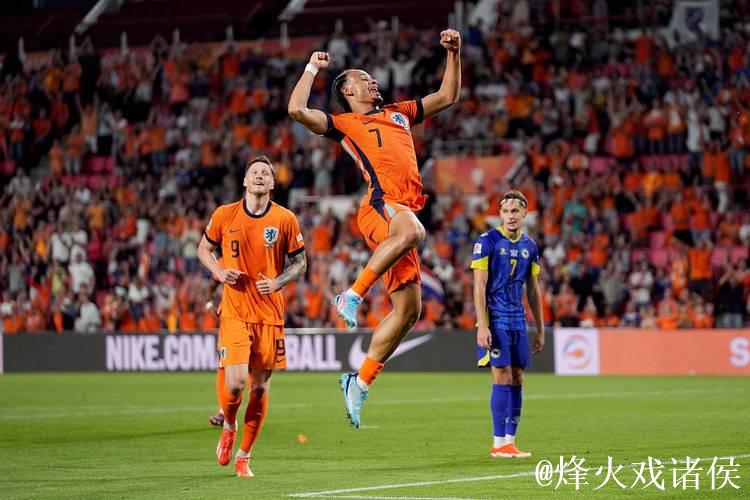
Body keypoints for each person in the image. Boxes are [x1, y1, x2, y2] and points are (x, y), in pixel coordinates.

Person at [288, 29, 461, 429]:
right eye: (363, 78)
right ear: (347, 90)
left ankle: (360, 381)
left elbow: (448, 96)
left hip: (402, 213)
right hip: (381, 206)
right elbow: (297, 110)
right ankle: (351, 295)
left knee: (410, 311)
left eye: (372, 78)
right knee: (414, 232)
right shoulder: (344, 123)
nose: (373, 81)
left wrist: (453, 53)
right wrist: (312, 68)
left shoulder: (400, 112)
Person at [197, 155, 307, 477]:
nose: (259, 176)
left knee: (259, 389)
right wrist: (219, 272)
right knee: (236, 384)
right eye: (254, 172)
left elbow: (300, 263)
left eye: (265, 173)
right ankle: (229, 425)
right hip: (235, 310)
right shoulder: (224, 214)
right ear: (245, 181)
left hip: (269, 315)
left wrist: (278, 281)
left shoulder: (285, 219)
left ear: (272, 183)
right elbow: (203, 249)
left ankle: (244, 456)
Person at [471, 190, 545, 458]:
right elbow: (478, 286)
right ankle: (498, 442)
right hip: (496, 319)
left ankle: (510, 441)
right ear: (500, 214)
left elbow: (533, 290)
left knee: (517, 377)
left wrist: (540, 328)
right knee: (501, 376)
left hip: (518, 321)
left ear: (525, 213)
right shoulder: (487, 241)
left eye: (515, 211)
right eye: (506, 211)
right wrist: (482, 325)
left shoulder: (530, 246)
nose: (510, 216)